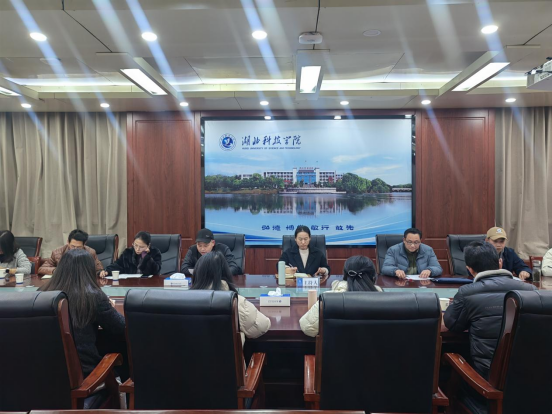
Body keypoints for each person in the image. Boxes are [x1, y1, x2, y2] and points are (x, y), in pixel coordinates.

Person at [444, 241, 536, 413]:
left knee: (447, 368)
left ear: (470, 269)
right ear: (500, 263)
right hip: (532, 383)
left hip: (487, 386)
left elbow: (453, 324)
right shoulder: (531, 291)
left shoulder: (467, 292)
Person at [40, 249, 125, 378]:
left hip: (46, 372)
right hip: (84, 374)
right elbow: (122, 326)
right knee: (123, 346)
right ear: (89, 271)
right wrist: (109, 307)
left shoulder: (42, 293)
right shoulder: (93, 296)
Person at [191, 250, 270, 342]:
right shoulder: (235, 301)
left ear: (197, 273)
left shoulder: (182, 301)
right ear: (226, 273)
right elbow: (262, 325)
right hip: (224, 352)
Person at [299, 255, 381, 337]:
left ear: (345, 275)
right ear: (373, 277)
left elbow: (307, 328)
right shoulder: (383, 299)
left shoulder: (328, 299)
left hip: (338, 345)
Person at [38, 229, 106, 277]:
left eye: (79, 247)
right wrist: (56, 271)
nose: (75, 249)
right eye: (73, 246)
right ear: (68, 242)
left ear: (84, 244)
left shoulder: (90, 252)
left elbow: (99, 269)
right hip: (65, 283)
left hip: (84, 282)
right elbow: (41, 269)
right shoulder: (57, 253)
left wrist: (100, 272)